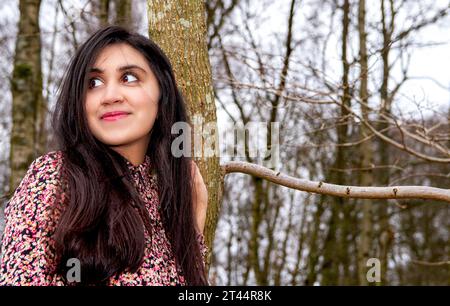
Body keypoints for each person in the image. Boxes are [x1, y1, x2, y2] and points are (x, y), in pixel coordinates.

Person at [0, 26, 209, 286]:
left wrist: (193, 231)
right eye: (94, 83)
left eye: (129, 78)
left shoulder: (162, 204)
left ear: (162, 94)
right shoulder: (56, 177)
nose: (110, 96)